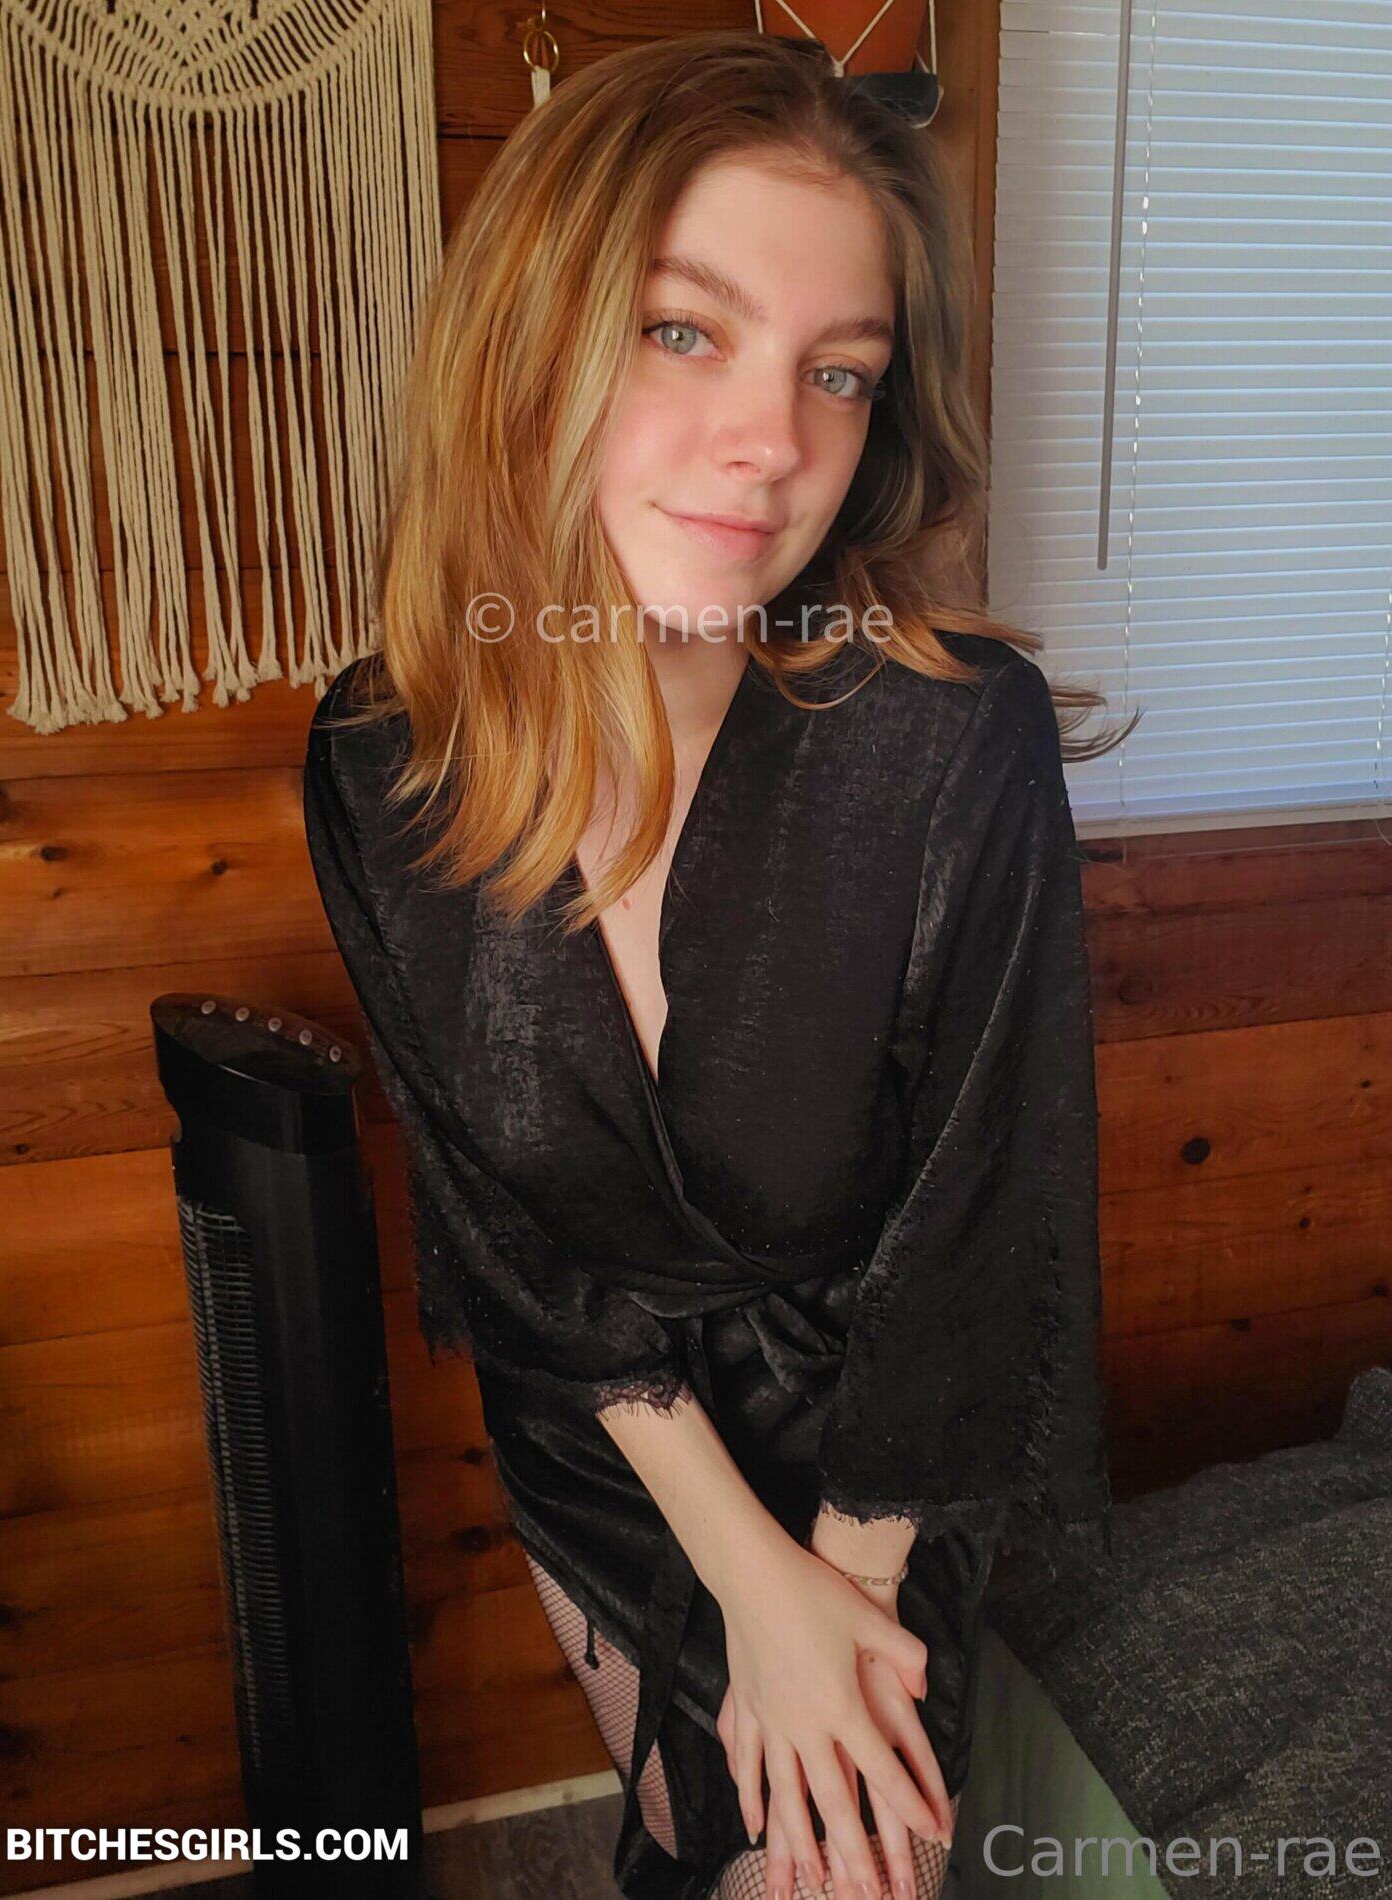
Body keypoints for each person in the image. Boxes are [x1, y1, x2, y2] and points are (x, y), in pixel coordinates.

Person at [303, 30, 1123, 1900]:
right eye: (683, 331)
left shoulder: (943, 741)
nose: (775, 444)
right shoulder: (383, 760)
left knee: (839, 1864)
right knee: (688, 1841)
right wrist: (740, 1584)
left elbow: (981, 1224)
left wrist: (833, 1598)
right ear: (526, 341)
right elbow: (500, 1226)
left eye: (839, 372)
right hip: (607, 1437)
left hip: (883, 1442)